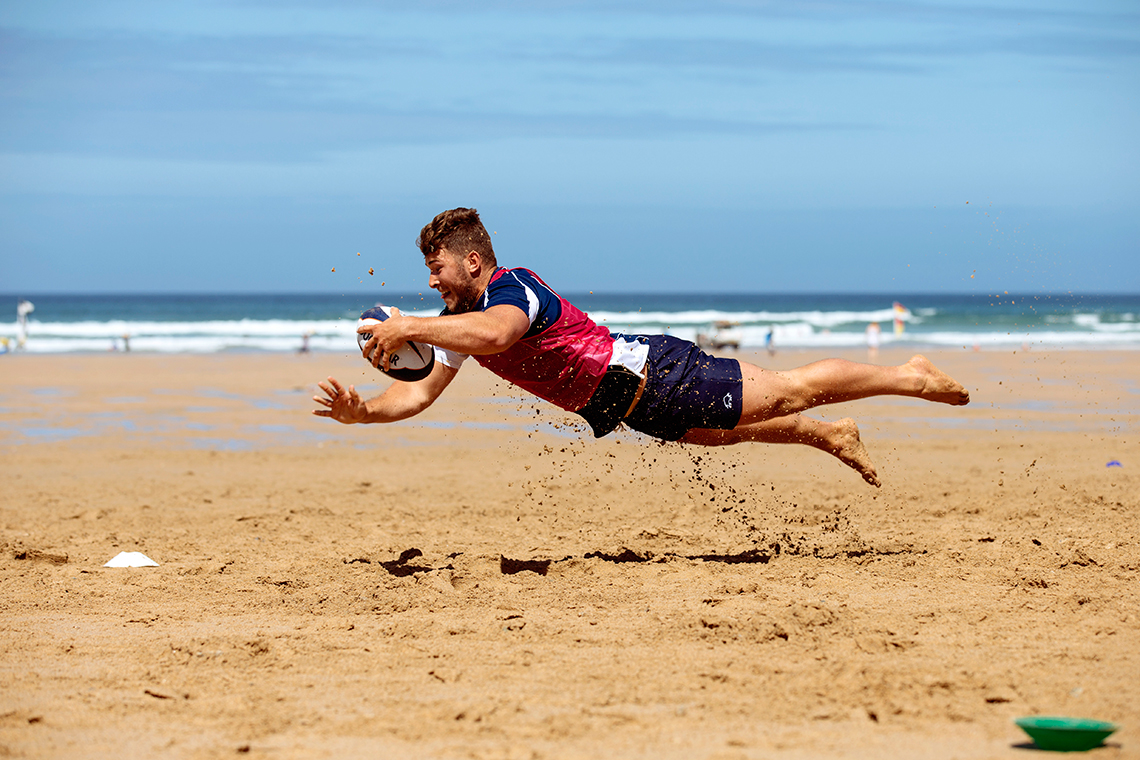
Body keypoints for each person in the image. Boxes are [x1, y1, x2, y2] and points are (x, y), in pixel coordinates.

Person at [314, 208, 970, 487]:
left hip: (654, 373)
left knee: (788, 388)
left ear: (474, 260)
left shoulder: (512, 289)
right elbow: (420, 392)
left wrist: (409, 328)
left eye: (437, 267)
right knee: (726, 433)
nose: (429, 281)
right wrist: (362, 412)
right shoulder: (455, 320)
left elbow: (500, 335)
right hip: (624, 404)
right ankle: (828, 435)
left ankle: (909, 374)